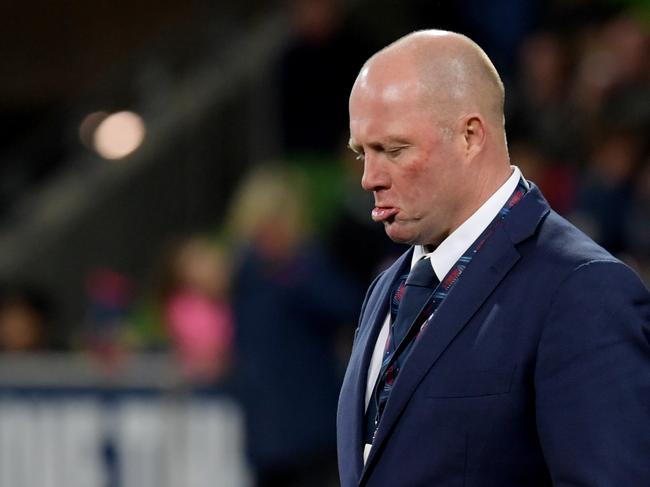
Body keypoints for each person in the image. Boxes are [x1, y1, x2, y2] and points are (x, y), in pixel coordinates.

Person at [337, 30, 650, 486]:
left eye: (393, 149)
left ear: (469, 136)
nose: (368, 177)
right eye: (362, 152)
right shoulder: (386, 289)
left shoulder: (583, 290)